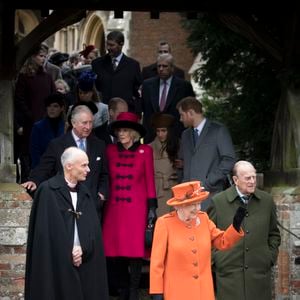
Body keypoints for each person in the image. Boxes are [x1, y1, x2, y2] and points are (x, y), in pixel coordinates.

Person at [24, 147, 109, 300]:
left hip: (84, 258)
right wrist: (68, 250)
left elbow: (92, 229)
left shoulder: (85, 192)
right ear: (69, 166)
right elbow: (46, 234)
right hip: (56, 262)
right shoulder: (48, 191)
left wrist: (83, 247)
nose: (88, 169)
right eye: (84, 165)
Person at [149, 180, 246, 300]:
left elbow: (222, 242)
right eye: (192, 204)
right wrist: (157, 291)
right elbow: (157, 262)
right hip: (177, 292)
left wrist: (235, 226)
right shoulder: (164, 224)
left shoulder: (203, 219)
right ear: (179, 206)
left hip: (204, 292)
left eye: (199, 203)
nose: (197, 208)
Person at [102, 112, 157, 300]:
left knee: (134, 251)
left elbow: (150, 180)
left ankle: (133, 291)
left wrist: (152, 208)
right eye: (119, 130)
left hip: (136, 208)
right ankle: (123, 288)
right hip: (114, 208)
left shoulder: (145, 151)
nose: (121, 133)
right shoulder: (109, 150)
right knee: (114, 251)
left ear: (133, 133)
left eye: (125, 130)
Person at [207, 160, 281, 300]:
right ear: (236, 180)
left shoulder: (266, 201)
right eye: (247, 178)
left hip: (259, 276)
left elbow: (274, 234)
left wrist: (269, 257)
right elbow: (207, 236)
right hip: (229, 278)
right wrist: (217, 260)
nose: (252, 181)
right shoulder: (219, 202)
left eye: (254, 177)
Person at [22, 105, 109, 220]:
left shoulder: (99, 145)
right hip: (65, 205)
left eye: (90, 123)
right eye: (84, 123)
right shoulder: (57, 145)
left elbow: (104, 174)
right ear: (73, 123)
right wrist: (34, 181)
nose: (88, 127)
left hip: (92, 205)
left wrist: (101, 195)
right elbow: (44, 168)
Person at [175, 96, 236, 210]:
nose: (180, 119)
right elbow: (184, 164)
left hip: (212, 195)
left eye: (182, 115)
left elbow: (229, 160)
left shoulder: (218, 130)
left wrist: (208, 182)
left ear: (191, 113)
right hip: (188, 198)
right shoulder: (185, 135)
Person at [14, 43, 56, 182]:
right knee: (28, 158)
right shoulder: (24, 77)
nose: (43, 59)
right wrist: (30, 116)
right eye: (40, 56)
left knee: (45, 157)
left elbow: (53, 97)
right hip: (30, 125)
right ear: (32, 56)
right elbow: (19, 100)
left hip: (47, 124)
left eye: (45, 56)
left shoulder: (48, 77)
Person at [141, 53, 195, 143]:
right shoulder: (147, 85)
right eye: (159, 66)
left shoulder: (184, 86)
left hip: (176, 135)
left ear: (172, 68)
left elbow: (190, 111)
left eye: (165, 66)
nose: (161, 69)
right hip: (152, 136)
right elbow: (144, 110)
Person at [91, 30, 142, 114]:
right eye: (107, 44)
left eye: (112, 45)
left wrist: (137, 112)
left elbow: (137, 92)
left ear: (121, 44)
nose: (108, 48)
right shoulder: (97, 64)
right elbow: (94, 89)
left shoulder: (133, 65)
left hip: (125, 113)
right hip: (103, 112)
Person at [149, 112, 180, 216]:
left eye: (164, 130)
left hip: (176, 190)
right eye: (158, 131)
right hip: (159, 191)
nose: (160, 134)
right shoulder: (149, 148)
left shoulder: (179, 146)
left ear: (170, 131)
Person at [30, 92, 65, 168]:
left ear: (61, 108)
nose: (51, 109)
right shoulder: (38, 127)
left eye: (55, 106)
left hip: (62, 170)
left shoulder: (66, 127)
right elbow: (35, 153)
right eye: (49, 106)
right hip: (42, 169)